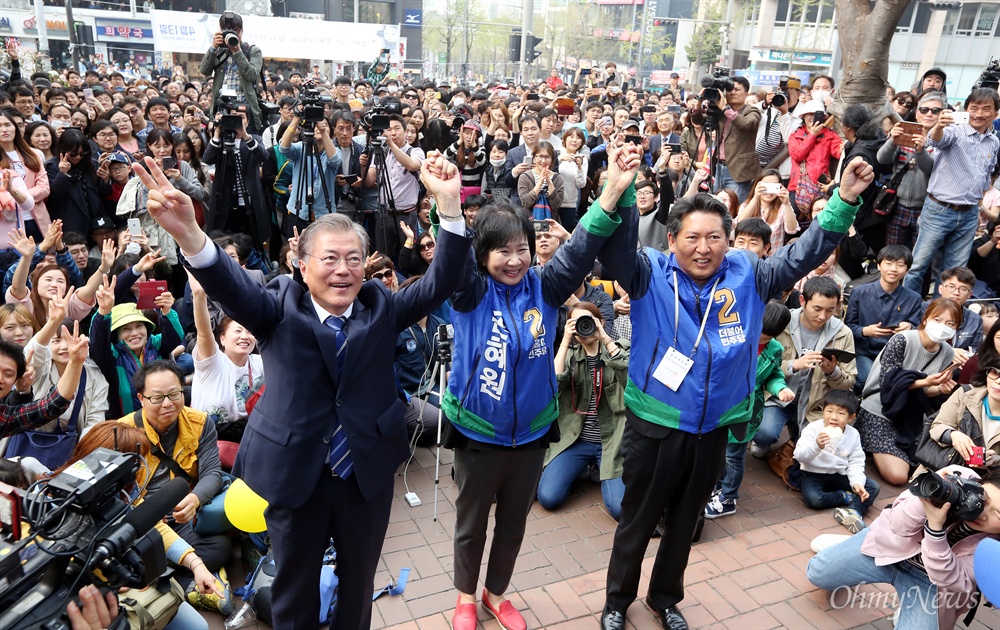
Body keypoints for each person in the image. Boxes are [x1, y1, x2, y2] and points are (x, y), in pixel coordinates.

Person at [131, 150, 472, 630]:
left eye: (353, 259)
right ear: (302, 264)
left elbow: (445, 278)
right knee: (293, 589)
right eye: (329, 258)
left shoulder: (383, 309)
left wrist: (451, 207)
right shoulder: (276, 310)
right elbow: (228, 284)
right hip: (295, 476)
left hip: (364, 476)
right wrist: (189, 232)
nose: (342, 270)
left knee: (357, 588)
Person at [596, 156, 874, 630]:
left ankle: (665, 599)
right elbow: (616, 250)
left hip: (715, 428)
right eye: (692, 237)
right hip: (657, 423)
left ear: (728, 240)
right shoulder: (648, 273)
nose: (703, 248)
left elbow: (803, 254)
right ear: (672, 239)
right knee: (637, 521)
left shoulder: (750, 272)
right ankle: (616, 603)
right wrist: (621, 192)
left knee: (687, 522)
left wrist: (844, 201)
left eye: (714, 238)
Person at [445, 141, 641, 630]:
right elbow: (448, 260)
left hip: (533, 433)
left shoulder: (545, 286)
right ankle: (465, 598)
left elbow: (580, 250)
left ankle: (496, 594)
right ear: (483, 253)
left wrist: (613, 191)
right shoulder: (469, 293)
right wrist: (446, 205)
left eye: (522, 250)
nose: (513, 261)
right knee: (471, 527)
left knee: (513, 526)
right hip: (477, 433)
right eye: (501, 251)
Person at [808, 466, 1000, 630]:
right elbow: (897, 525)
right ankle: (848, 544)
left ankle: (906, 606)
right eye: (984, 499)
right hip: (890, 548)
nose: (982, 513)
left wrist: (935, 531)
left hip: (930, 583)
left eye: (997, 515)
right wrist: (926, 502)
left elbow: (952, 580)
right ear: (980, 483)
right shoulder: (956, 478)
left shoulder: (992, 550)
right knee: (816, 573)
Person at [116, 361, 230, 578]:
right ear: (141, 399)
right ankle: (183, 575)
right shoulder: (122, 433)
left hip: (181, 516)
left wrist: (195, 499)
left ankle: (163, 573)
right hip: (142, 520)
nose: (167, 403)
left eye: (174, 394)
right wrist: (149, 517)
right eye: (157, 397)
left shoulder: (200, 422)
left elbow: (212, 472)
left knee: (221, 547)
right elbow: (123, 498)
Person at [855, 298, 966, 485]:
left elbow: (924, 393)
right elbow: (887, 384)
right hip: (880, 409)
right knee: (898, 476)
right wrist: (924, 382)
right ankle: (871, 447)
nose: (943, 327)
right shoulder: (903, 340)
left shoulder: (947, 352)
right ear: (926, 318)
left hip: (911, 416)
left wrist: (939, 388)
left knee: (930, 463)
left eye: (950, 323)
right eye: (937, 320)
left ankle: (886, 453)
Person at [538, 302, 629, 520]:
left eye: (588, 321)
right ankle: (581, 469)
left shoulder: (619, 347)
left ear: (602, 322)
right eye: (577, 323)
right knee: (548, 498)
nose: (584, 327)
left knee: (619, 509)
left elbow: (630, 382)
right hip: (576, 440)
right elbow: (551, 388)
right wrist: (565, 341)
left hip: (612, 443)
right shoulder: (569, 355)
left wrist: (605, 338)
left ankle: (596, 469)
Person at [904, 88, 1000, 294]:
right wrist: (939, 124)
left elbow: (985, 175)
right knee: (918, 265)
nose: (979, 113)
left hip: (969, 212)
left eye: (986, 109)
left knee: (954, 272)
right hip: (939, 209)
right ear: (966, 109)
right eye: (974, 108)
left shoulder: (994, 141)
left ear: (995, 113)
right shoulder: (955, 131)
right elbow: (935, 139)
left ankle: (941, 312)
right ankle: (904, 310)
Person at [705, 300, 795, 519]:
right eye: (760, 333)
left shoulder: (774, 349)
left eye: (768, 337)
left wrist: (780, 388)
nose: (762, 339)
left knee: (734, 455)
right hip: (719, 406)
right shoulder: (735, 337)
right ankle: (716, 486)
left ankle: (728, 497)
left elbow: (773, 375)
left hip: (746, 410)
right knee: (715, 451)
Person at [794, 390, 881, 533]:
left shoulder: (853, 434)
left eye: (841, 413)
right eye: (829, 411)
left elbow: (856, 462)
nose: (834, 417)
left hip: (839, 473)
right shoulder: (813, 429)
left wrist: (857, 482)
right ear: (823, 411)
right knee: (814, 499)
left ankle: (854, 511)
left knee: (873, 487)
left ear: (851, 417)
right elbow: (799, 456)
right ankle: (846, 497)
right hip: (813, 472)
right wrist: (816, 446)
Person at [844, 244, 924, 388]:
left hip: (897, 356)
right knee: (872, 380)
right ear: (879, 265)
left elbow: (919, 331)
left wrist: (910, 327)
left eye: (900, 265)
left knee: (899, 382)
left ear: (907, 270)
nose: (893, 269)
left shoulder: (914, 298)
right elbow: (847, 327)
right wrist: (865, 331)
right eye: (888, 263)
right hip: (864, 353)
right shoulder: (859, 293)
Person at [876, 91, 944, 249]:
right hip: (897, 205)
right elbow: (882, 159)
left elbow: (930, 169)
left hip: (927, 208)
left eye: (935, 111)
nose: (929, 114)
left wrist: (921, 151)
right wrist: (893, 141)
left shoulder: (945, 140)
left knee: (917, 257)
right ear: (917, 113)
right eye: (924, 109)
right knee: (893, 253)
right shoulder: (905, 133)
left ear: (942, 114)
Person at [922, 361, 1000, 474]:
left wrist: (996, 461)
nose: (998, 381)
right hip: (943, 469)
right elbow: (937, 425)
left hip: (991, 482)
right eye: (995, 373)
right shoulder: (965, 393)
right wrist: (953, 435)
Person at [199, 12, 264, 133]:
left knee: (246, 149)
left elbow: (252, 75)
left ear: (242, 31)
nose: (232, 34)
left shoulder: (252, 51)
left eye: (236, 30)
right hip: (222, 111)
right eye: (226, 30)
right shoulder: (219, 51)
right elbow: (204, 70)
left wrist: (237, 51)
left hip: (245, 113)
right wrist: (213, 48)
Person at [714, 76, 761, 202]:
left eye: (737, 89)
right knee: (716, 205)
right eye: (729, 89)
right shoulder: (720, 112)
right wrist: (699, 101)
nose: (732, 92)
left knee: (735, 206)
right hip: (719, 166)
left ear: (746, 93)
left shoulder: (752, 110)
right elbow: (698, 121)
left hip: (738, 170)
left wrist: (725, 109)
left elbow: (745, 124)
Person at [736, 169, 797, 249]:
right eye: (766, 186)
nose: (769, 191)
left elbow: (792, 229)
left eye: (774, 186)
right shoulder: (747, 205)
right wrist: (755, 198)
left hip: (773, 257)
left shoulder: (783, 207)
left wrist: (787, 203)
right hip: (748, 254)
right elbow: (740, 223)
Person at [518, 141, 565, 217]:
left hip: (551, 222)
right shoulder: (525, 177)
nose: (543, 161)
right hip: (529, 222)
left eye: (547, 157)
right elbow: (525, 203)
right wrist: (540, 183)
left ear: (552, 159)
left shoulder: (558, 179)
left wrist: (549, 183)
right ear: (534, 157)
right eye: (540, 156)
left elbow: (556, 205)